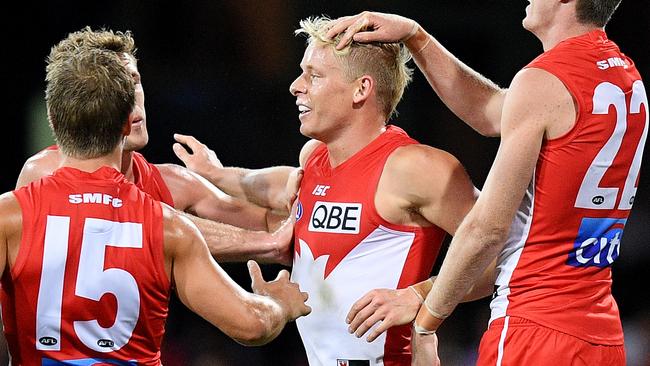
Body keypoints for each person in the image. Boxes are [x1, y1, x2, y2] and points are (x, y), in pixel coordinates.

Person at [326, 1, 647, 364]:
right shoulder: (624, 77)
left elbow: (486, 228)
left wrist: (426, 321)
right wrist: (417, 36)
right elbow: (491, 111)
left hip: (533, 328)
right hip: (600, 333)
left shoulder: (543, 81)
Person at [172, 16, 481, 366]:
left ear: (361, 89)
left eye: (314, 75)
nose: (295, 86)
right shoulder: (314, 157)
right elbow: (273, 184)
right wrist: (217, 173)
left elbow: (506, 253)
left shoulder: (417, 168)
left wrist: (421, 296)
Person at [0, 44, 310, 364]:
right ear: (124, 120)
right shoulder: (170, 227)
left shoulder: (10, 213)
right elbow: (251, 325)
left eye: (135, 80)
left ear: (53, 116)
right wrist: (280, 304)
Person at [16, 27, 296, 266]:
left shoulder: (176, 184)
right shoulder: (44, 173)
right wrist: (265, 243)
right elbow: (129, 217)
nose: (131, 100)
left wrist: (320, 198)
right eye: (117, 90)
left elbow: (275, 227)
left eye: (134, 82)